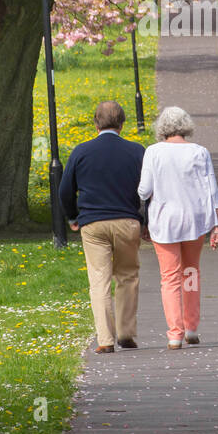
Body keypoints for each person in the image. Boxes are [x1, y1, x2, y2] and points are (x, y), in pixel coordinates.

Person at [60, 100, 146, 353]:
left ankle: (105, 339)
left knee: (99, 280)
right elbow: (149, 190)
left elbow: (65, 190)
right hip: (127, 221)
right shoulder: (136, 151)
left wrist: (72, 217)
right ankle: (126, 332)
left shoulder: (80, 151)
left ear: (95, 123)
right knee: (128, 276)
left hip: (93, 223)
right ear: (122, 123)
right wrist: (146, 221)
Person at [138, 106, 218, 349]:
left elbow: (144, 190)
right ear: (186, 126)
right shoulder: (200, 152)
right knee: (190, 271)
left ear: (162, 127)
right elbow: (212, 192)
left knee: (169, 277)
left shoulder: (153, 152)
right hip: (195, 220)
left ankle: (175, 333)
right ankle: (192, 327)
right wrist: (216, 227)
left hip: (165, 220)